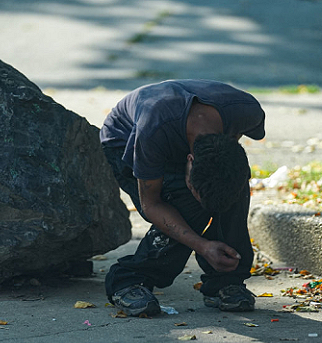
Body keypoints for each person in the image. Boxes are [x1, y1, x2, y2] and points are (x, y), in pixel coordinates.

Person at [99, 79, 266, 316]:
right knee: (186, 206)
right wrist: (203, 245)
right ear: (189, 161)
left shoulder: (247, 112)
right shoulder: (152, 133)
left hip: (180, 132)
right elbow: (152, 204)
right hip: (124, 140)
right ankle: (128, 280)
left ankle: (226, 281)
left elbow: (228, 159)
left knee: (230, 189)